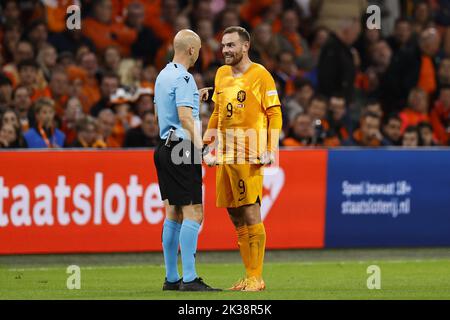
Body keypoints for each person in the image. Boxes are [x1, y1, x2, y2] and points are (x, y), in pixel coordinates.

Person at [203, 26, 283, 291]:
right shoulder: (221, 73)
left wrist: (271, 149)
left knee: (251, 214)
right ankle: (249, 275)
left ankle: (256, 277)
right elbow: (216, 111)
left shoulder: (261, 75)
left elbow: (274, 114)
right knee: (235, 217)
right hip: (224, 155)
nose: (225, 50)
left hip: (249, 154)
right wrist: (207, 142)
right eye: (223, 45)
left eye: (231, 45)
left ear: (245, 46)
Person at [153, 29, 220, 292]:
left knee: (173, 212)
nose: (200, 53)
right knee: (194, 212)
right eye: (200, 49)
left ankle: (171, 279)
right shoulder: (184, 77)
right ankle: (190, 278)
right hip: (182, 147)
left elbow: (165, 111)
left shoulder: (163, 75)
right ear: (191, 50)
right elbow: (183, 117)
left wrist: (195, 95)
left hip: (164, 146)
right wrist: (201, 148)